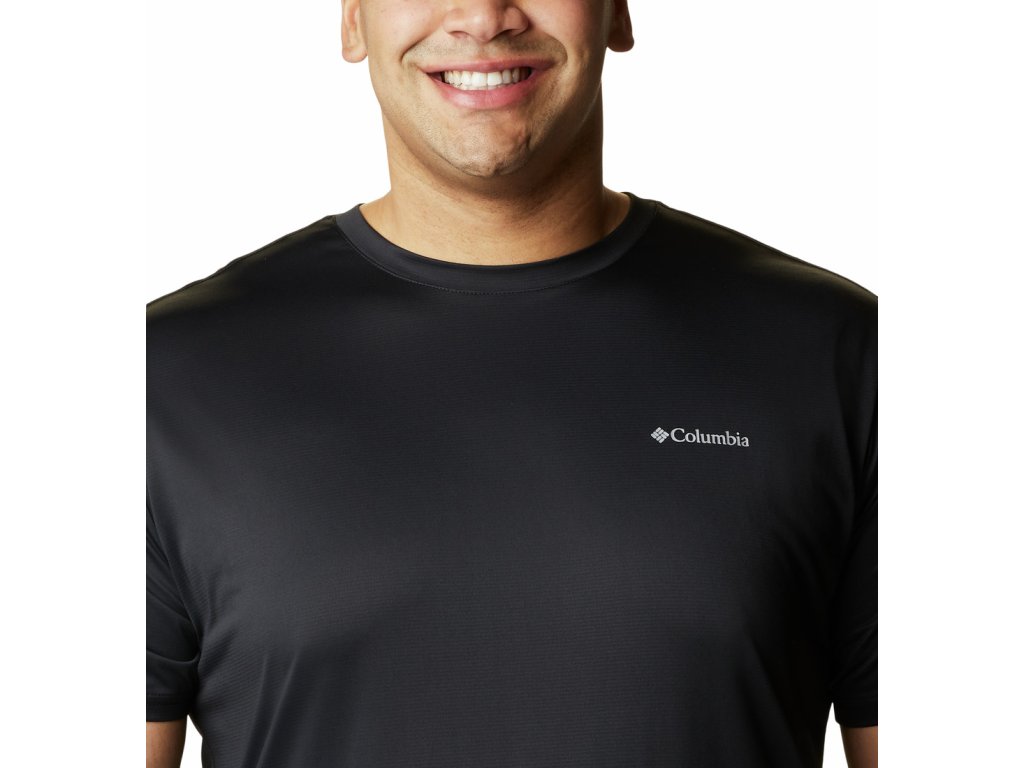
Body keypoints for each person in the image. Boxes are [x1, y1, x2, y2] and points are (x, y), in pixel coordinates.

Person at [146, 0, 877, 766]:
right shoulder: (164, 379)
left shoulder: (838, 354)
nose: (483, 16)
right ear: (354, 20)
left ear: (617, 12)